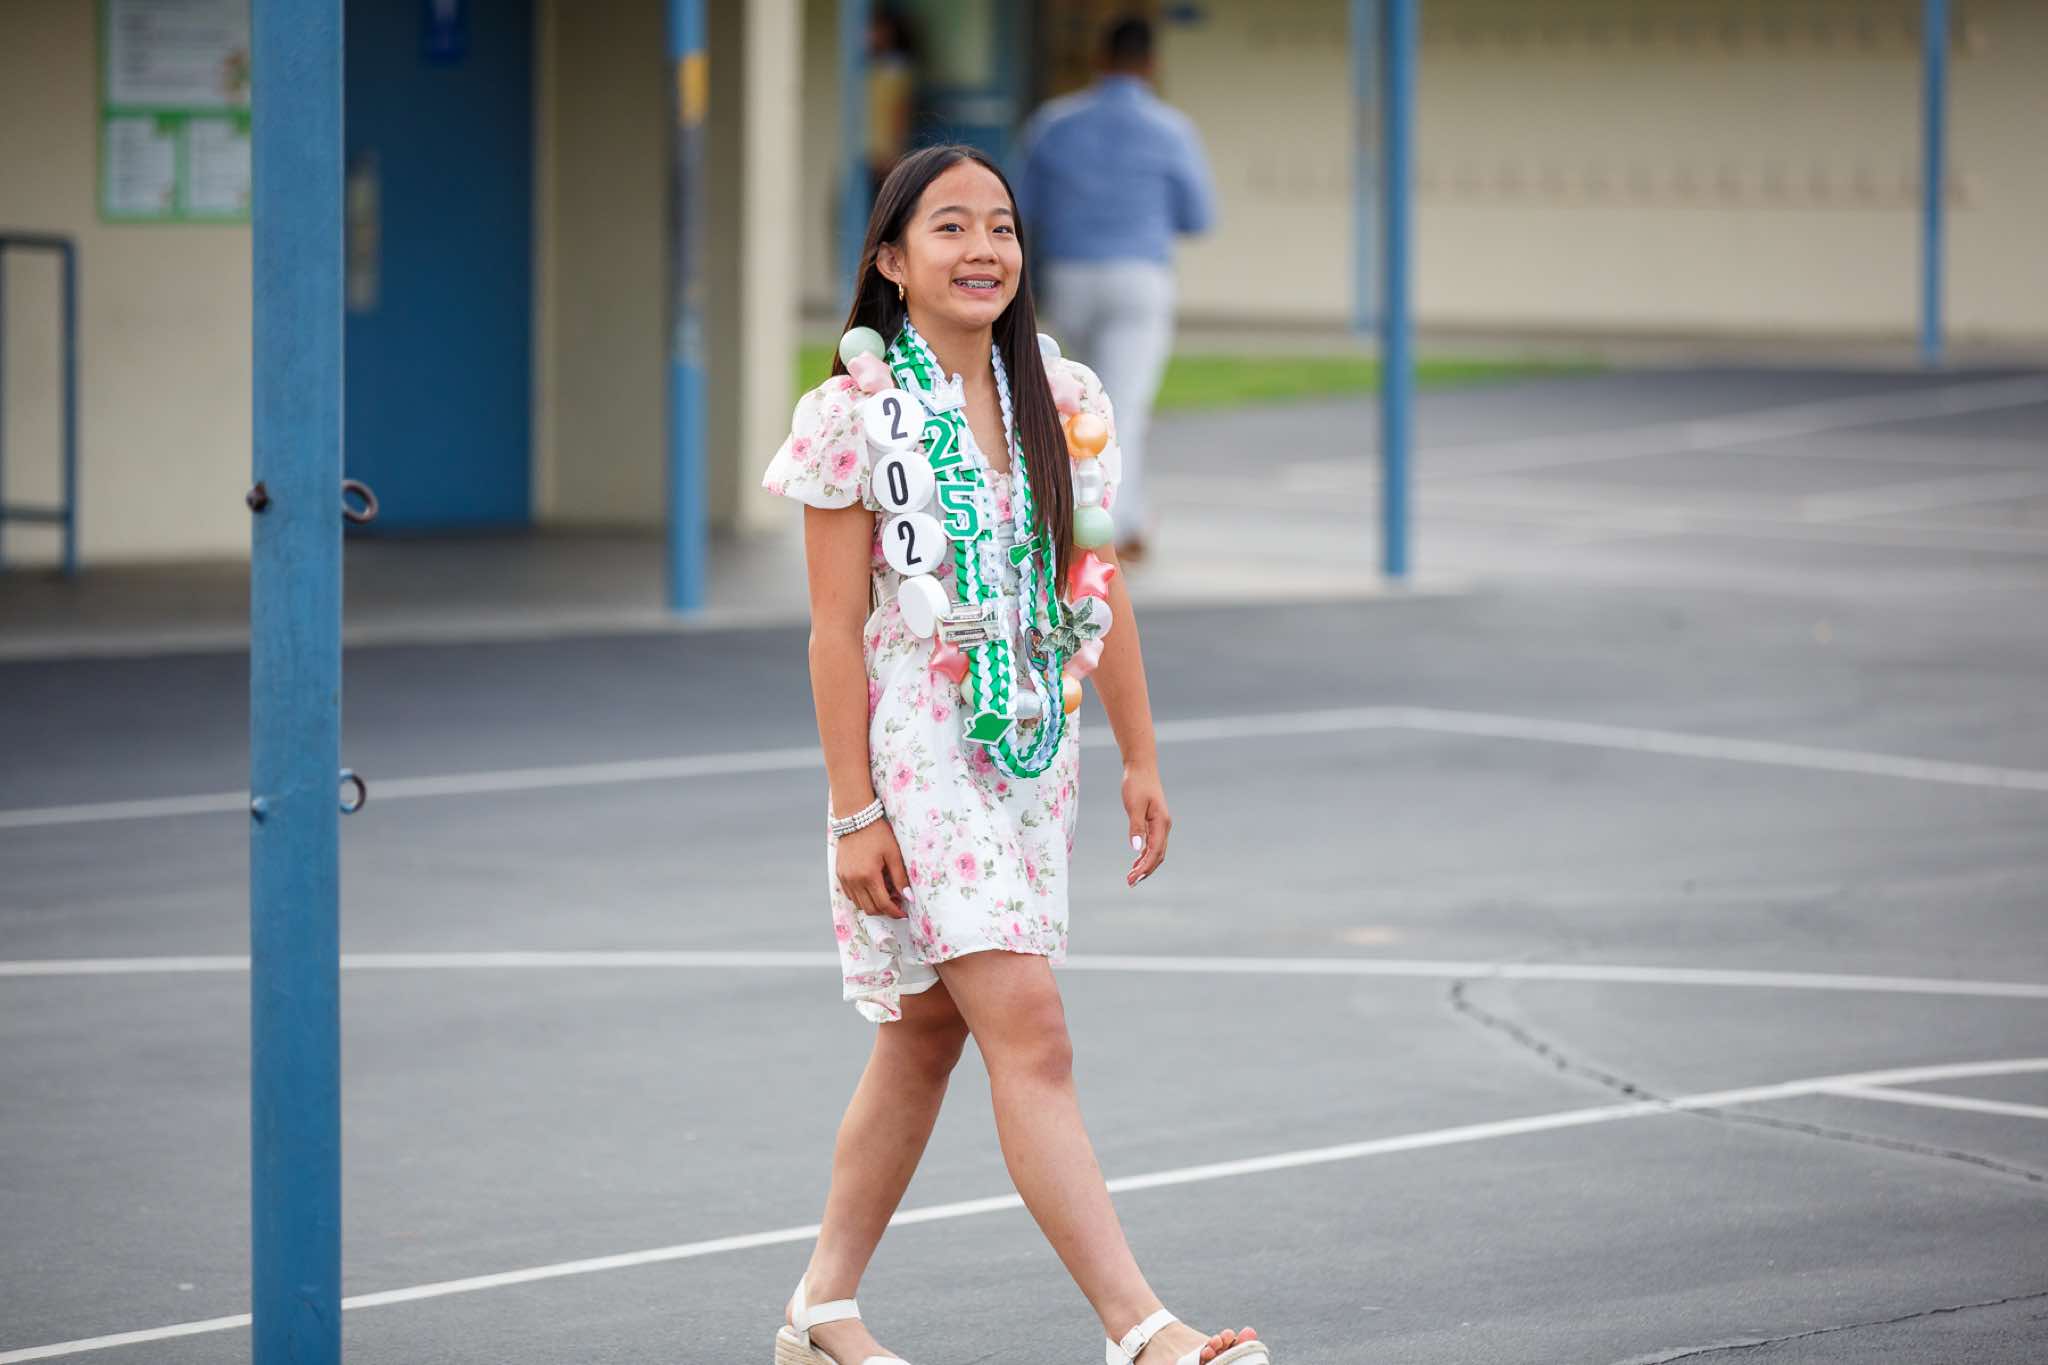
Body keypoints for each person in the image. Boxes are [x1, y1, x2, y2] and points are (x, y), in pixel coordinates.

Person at [760, 145, 1271, 1365]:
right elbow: (833, 632)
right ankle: (1140, 1331)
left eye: (999, 225)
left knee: (923, 1037)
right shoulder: (850, 416)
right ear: (891, 261)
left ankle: (820, 1308)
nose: (982, 248)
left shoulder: (1062, 393)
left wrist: (1140, 753)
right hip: (917, 760)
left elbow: (1097, 584)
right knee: (1030, 1032)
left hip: (1034, 750)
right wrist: (852, 814)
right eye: (948, 226)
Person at [1014, 15, 1216, 561]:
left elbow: (1020, 205)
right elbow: (1198, 217)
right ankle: (1113, 527)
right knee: (1121, 407)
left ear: (1099, 59)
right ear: (1152, 64)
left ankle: (1087, 513)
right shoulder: (1171, 129)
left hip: (1070, 275)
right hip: (1138, 277)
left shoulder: (1053, 123)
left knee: (1077, 402)